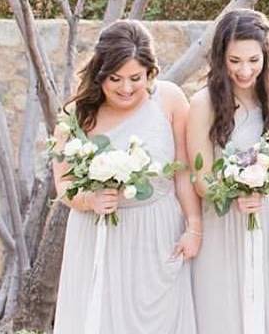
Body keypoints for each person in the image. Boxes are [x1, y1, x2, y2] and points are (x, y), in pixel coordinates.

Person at [53, 20, 199, 333]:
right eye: (115, 78)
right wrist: (88, 199)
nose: (126, 88)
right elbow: (63, 183)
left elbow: (183, 172)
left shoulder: (170, 100)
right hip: (97, 232)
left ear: (151, 73)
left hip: (157, 234)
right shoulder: (76, 114)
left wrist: (194, 227)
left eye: (136, 78)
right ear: (99, 74)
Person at [187, 9, 269, 334]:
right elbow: (200, 176)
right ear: (221, 57)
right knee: (222, 309)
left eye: (253, 60)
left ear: (266, 55)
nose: (244, 70)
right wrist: (234, 193)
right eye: (234, 61)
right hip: (223, 221)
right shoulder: (202, 103)